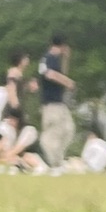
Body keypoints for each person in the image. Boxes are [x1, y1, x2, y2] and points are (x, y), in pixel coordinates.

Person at [37, 33, 76, 169]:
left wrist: (66, 60)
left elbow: (61, 74)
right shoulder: (47, 58)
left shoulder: (57, 60)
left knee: (67, 130)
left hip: (60, 102)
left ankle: (57, 160)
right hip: (50, 102)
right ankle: (50, 160)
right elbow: (49, 74)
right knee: (52, 132)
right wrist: (67, 82)